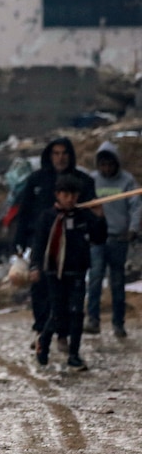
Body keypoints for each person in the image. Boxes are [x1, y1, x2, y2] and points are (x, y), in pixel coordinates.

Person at [13, 136, 96, 347]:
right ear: (49, 156)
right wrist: (19, 238)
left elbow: (91, 215)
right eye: (56, 153)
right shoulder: (36, 181)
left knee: (68, 292)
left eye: (64, 153)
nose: (60, 158)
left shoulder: (83, 182)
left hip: (72, 245)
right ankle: (42, 330)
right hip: (41, 243)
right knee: (40, 287)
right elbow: (25, 212)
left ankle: (63, 334)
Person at [29, 174, 106, 369]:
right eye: (66, 194)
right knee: (58, 313)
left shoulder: (83, 216)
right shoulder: (48, 217)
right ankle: (43, 342)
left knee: (77, 313)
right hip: (54, 272)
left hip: (78, 271)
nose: (70, 199)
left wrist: (99, 217)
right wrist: (35, 266)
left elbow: (99, 238)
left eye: (73, 195)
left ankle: (74, 354)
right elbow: (38, 245)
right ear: (58, 195)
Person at [85, 141, 140, 338]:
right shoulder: (92, 180)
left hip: (118, 238)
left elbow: (135, 206)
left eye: (110, 164)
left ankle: (118, 324)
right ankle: (93, 319)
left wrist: (133, 229)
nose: (106, 168)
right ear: (98, 165)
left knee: (117, 282)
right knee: (95, 278)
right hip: (97, 239)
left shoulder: (127, 181)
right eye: (103, 165)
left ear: (116, 163)